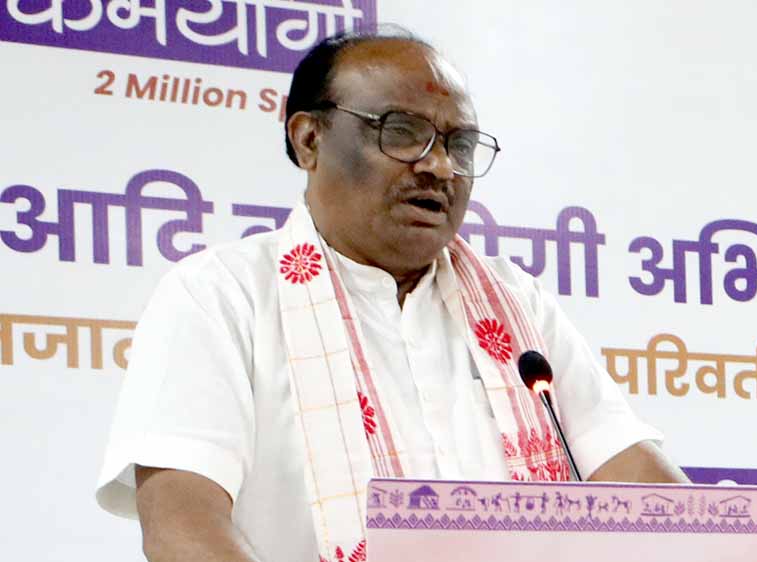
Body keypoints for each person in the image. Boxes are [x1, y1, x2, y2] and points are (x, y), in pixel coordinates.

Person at [96, 29, 689, 562]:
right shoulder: (222, 295)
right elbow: (182, 527)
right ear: (309, 139)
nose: (440, 168)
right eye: (403, 133)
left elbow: (642, 484)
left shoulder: (516, 304)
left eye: (459, 146)